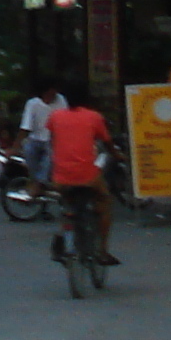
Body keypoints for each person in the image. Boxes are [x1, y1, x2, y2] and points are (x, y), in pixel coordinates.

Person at [44, 88, 115, 266]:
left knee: (67, 203)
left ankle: (62, 236)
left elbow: (51, 138)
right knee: (104, 201)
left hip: (60, 177)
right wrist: (118, 155)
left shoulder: (55, 116)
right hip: (87, 176)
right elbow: (107, 142)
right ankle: (102, 251)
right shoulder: (94, 117)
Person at [21, 83, 63, 184]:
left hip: (53, 140)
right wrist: (15, 147)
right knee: (29, 152)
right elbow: (25, 126)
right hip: (35, 139)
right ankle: (34, 181)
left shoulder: (61, 100)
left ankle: (40, 183)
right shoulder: (32, 104)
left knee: (48, 162)